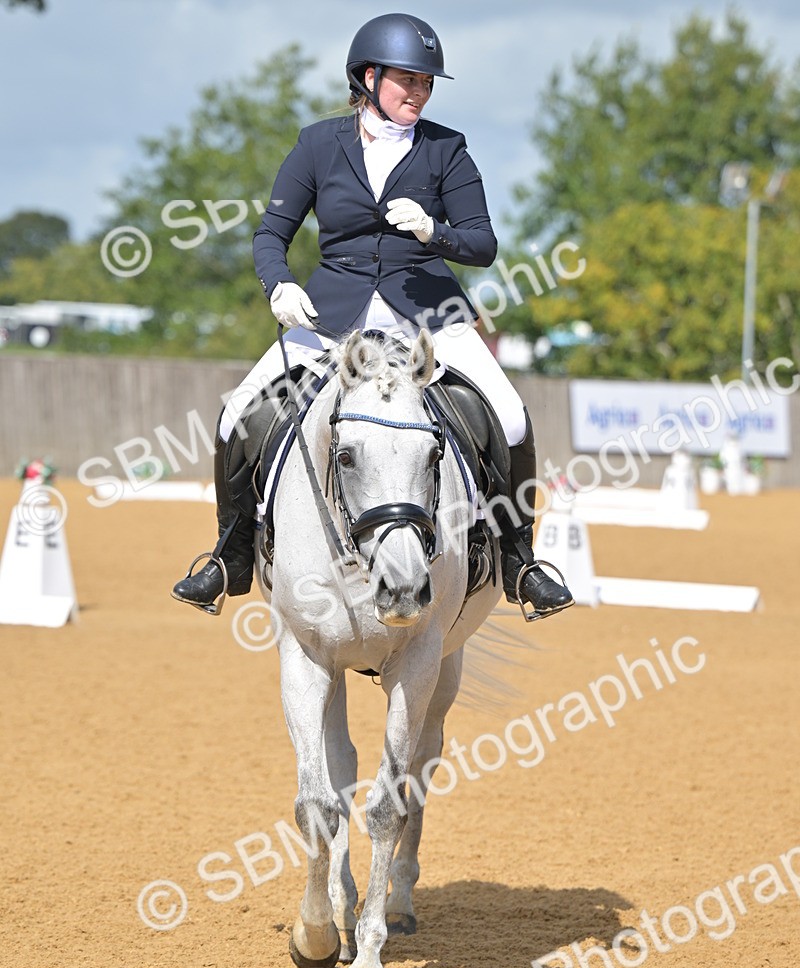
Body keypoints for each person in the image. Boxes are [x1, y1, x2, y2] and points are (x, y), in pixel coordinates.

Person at [172, 12, 573, 618]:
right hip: (333, 313)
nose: (418, 92)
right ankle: (231, 556)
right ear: (368, 76)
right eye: (406, 79)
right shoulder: (317, 144)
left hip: (430, 315)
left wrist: (434, 231)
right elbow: (270, 234)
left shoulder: (447, 149)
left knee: (511, 416)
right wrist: (277, 285)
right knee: (237, 415)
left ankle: (521, 564)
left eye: (426, 83)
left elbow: (483, 244)